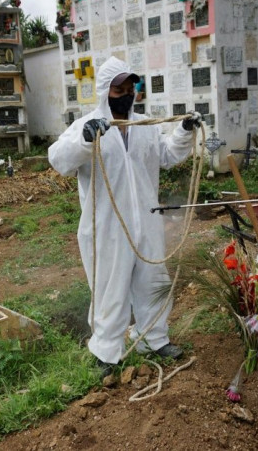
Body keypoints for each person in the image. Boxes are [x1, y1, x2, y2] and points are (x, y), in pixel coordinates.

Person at [48, 56, 201, 375]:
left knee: (153, 281)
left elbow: (168, 155)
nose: (127, 94)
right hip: (106, 226)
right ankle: (106, 352)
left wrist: (185, 131)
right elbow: (58, 159)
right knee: (109, 289)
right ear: (105, 92)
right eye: (120, 89)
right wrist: (86, 139)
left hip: (146, 220)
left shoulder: (143, 127)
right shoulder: (86, 126)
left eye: (131, 87)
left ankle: (154, 339)